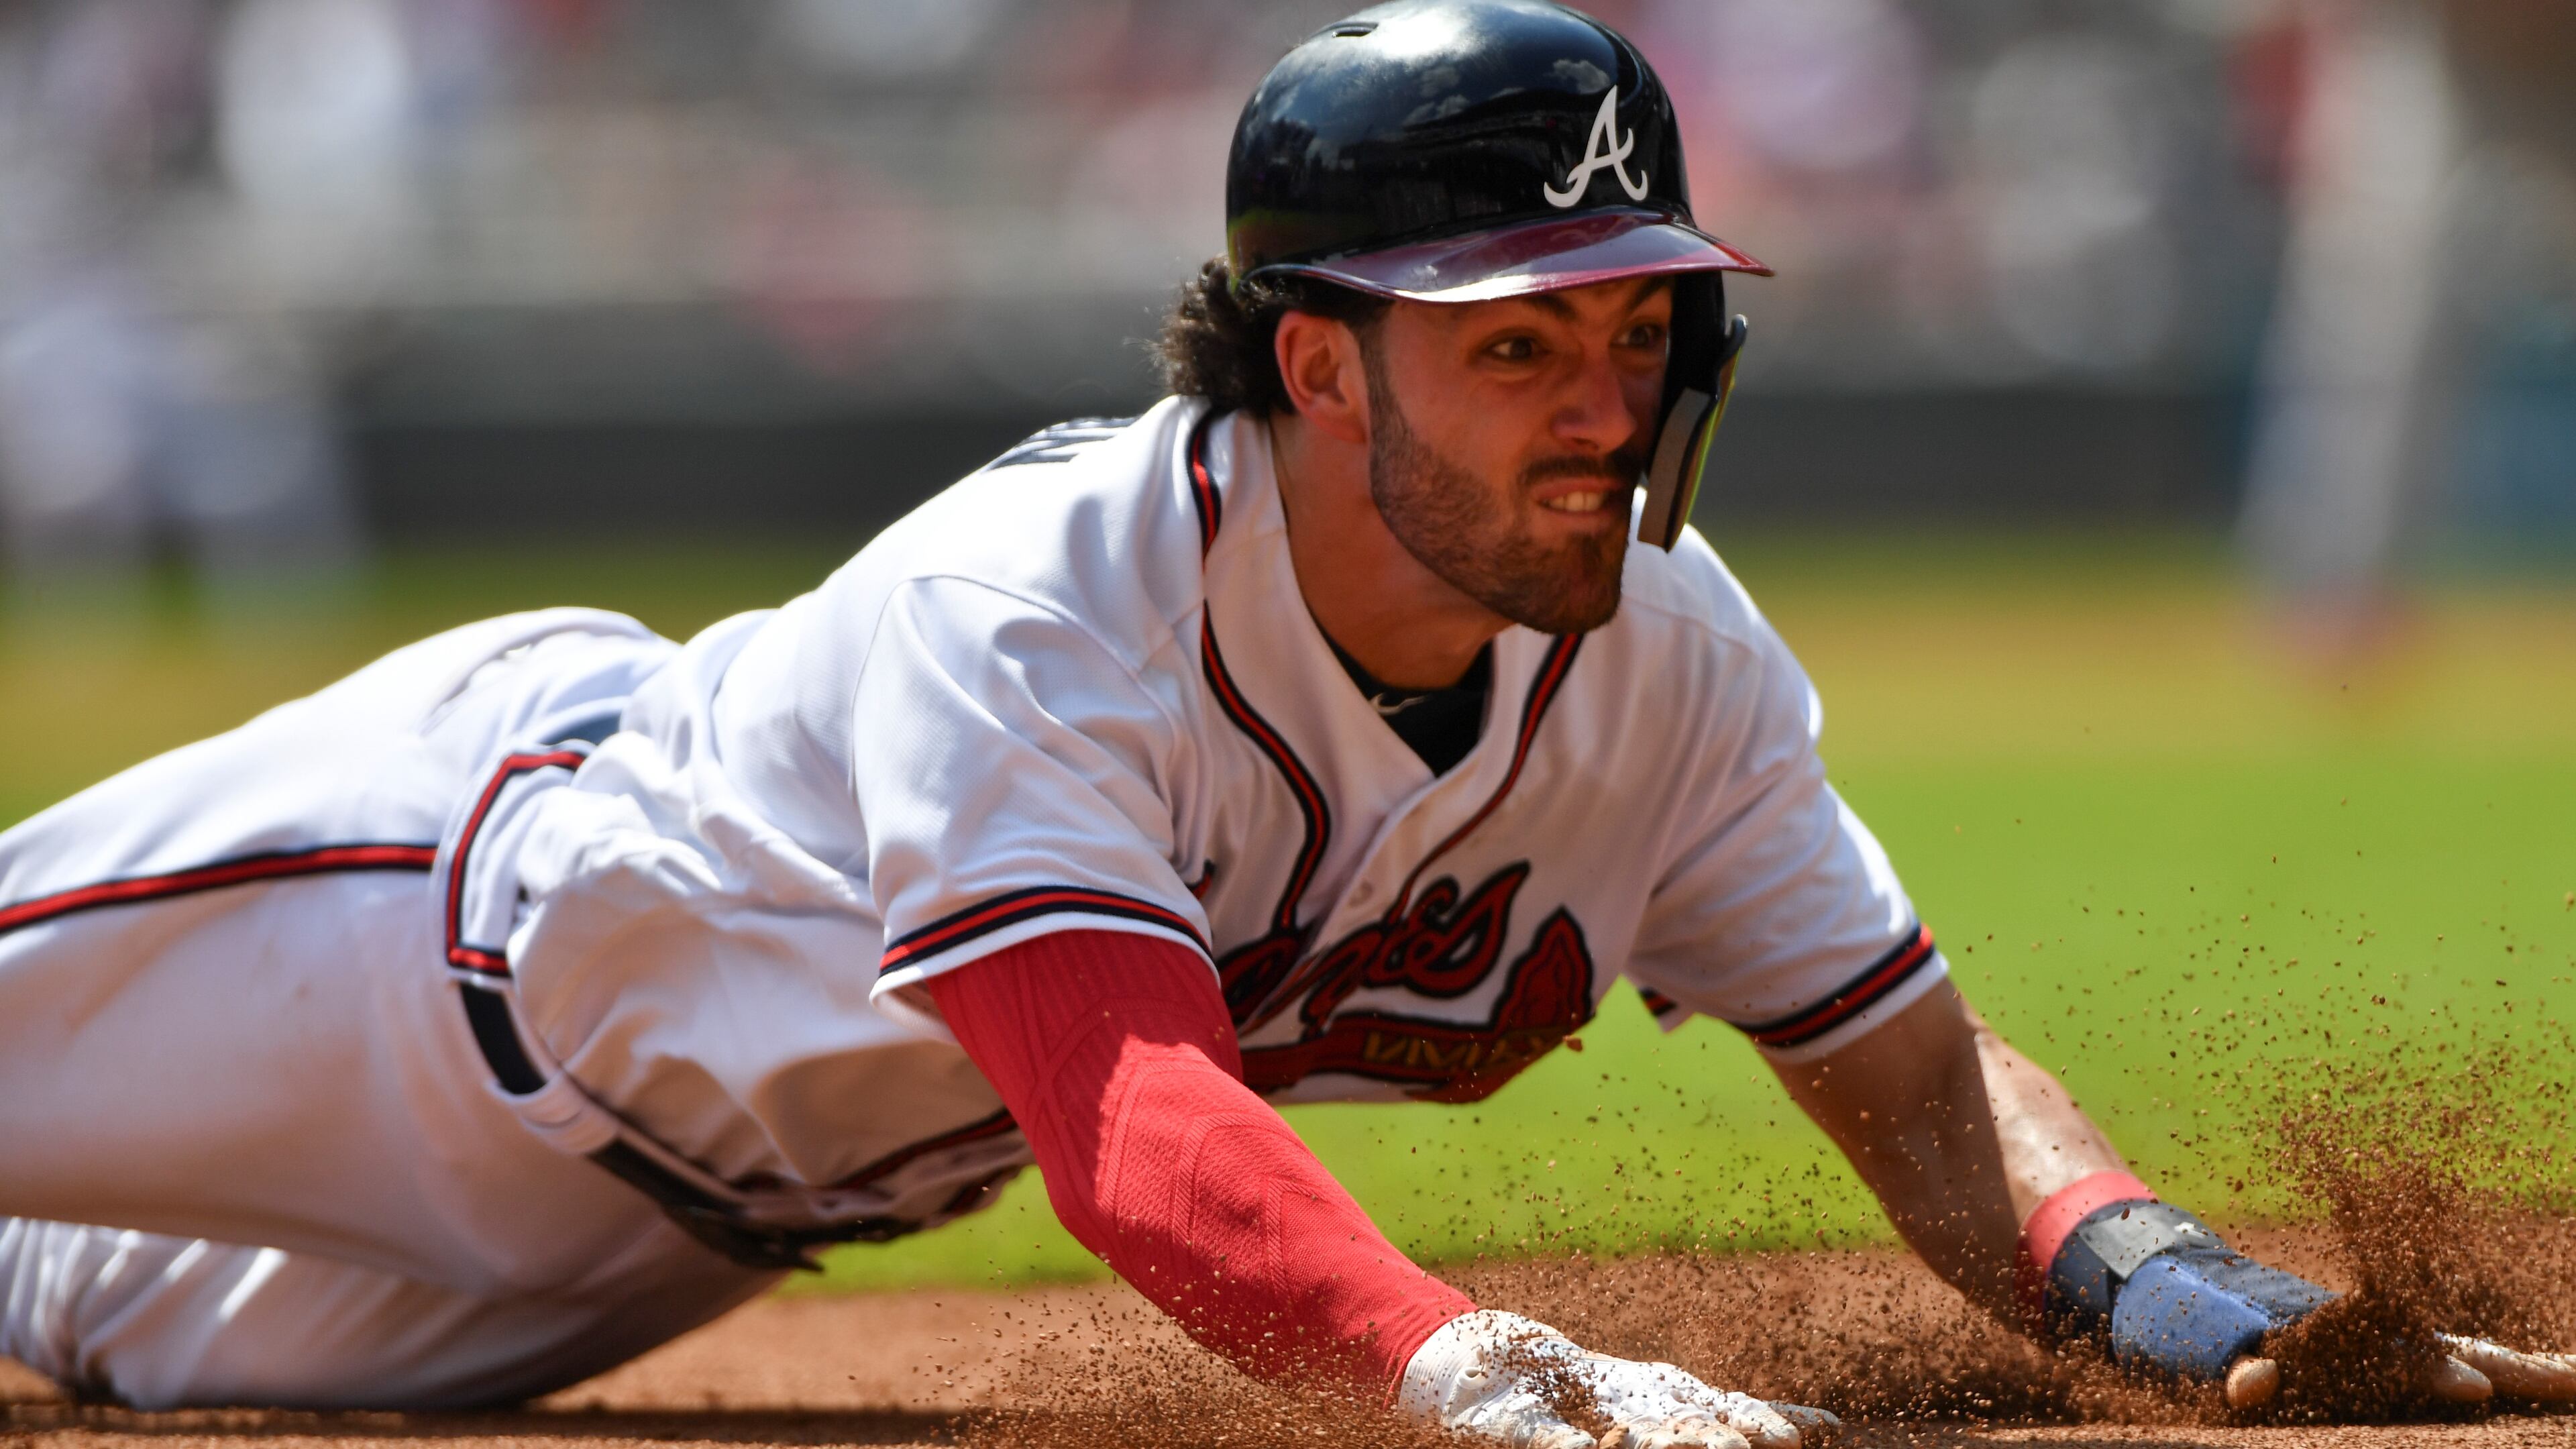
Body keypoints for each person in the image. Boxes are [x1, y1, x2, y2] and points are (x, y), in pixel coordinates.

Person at [1, 3, 2566, 1444]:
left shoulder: (1662, 656)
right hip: (411, 946)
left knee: (75, 1337)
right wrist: (1472, 1368)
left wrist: (2173, 1288)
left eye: (1639, 325)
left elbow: (1903, 1066)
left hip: (682, 1231)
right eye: (1518, 341)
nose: (1605, 399)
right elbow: (1132, 1124)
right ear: (1321, 370)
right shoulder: (1049, 608)